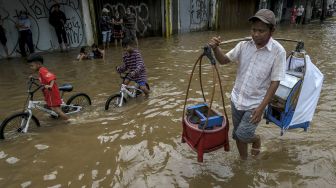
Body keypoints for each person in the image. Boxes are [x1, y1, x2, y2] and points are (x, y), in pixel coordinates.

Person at [208, 9, 286, 160]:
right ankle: (243, 161)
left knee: (243, 134)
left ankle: (256, 139)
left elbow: (275, 82)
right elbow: (224, 60)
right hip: (237, 98)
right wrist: (216, 48)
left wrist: (261, 108)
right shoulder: (244, 45)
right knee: (238, 135)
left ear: (272, 31)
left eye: (261, 31)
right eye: (253, 30)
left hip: (255, 104)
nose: (256, 34)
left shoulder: (278, 52)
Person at [27, 53, 68, 120]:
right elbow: (43, 79)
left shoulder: (42, 70)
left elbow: (52, 77)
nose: (30, 67)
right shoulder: (40, 71)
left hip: (51, 91)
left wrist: (50, 86)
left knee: (56, 109)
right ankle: (55, 115)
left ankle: (68, 120)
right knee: (47, 105)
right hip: (48, 92)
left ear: (38, 64)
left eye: (32, 66)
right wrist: (34, 78)